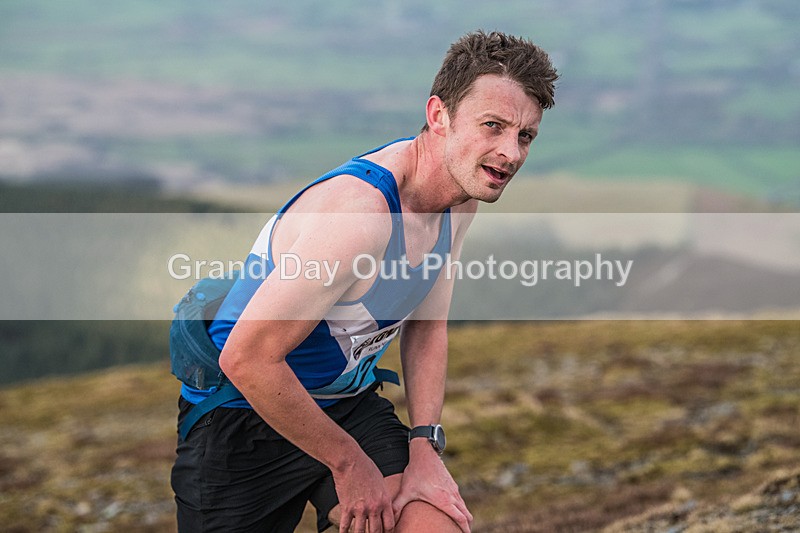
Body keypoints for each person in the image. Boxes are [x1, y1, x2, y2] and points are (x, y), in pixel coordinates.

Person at [171, 30, 557, 533]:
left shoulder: (459, 197)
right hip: (243, 415)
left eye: (524, 135)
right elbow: (246, 359)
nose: (511, 153)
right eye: (493, 126)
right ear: (439, 115)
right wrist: (349, 465)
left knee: (433, 524)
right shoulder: (361, 217)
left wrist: (425, 446)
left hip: (346, 406)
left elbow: (427, 327)